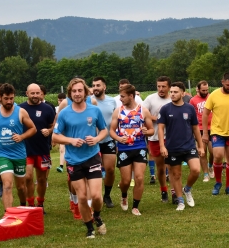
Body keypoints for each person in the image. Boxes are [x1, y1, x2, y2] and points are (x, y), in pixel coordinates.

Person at [52, 78, 108, 239]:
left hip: (92, 156)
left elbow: (104, 130)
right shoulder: (64, 113)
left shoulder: (94, 110)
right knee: (82, 197)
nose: (77, 94)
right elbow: (56, 136)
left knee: (96, 196)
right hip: (74, 160)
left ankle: (97, 215)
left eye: (80, 91)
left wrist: (97, 139)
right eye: (74, 91)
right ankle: (89, 227)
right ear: (70, 93)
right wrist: (71, 140)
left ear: (85, 92)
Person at [0, 83, 37, 210]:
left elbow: (33, 129)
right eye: (6, 98)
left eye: (11, 98)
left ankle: (23, 207)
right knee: (7, 185)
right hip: (3, 154)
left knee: (21, 187)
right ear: (0, 98)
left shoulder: (21, 112)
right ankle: (9, 214)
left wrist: (22, 137)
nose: (9, 101)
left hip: (19, 154)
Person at [109, 84, 154, 216]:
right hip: (123, 149)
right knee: (126, 181)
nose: (120, 99)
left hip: (139, 147)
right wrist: (118, 138)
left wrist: (147, 131)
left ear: (131, 96)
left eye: (123, 96)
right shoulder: (118, 111)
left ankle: (135, 206)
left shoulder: (143, 111)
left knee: (139, 178)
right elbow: (111, 131)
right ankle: (124, 195)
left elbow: (152, 130)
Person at [158, 82, 203, 211]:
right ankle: (180, 201)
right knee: (176, 175)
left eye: (175, 92)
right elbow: (161, 128)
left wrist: (200, 146)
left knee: (196, 170)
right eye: (171, 92)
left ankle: (187, 189)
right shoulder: (165, 109)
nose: (172, 94)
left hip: (189, 146)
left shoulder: (189, 108)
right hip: (172, 148)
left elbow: (195, 127)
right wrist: (162, 146)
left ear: (183, 93)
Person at [20, 84, 56, 212]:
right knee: (28, 177)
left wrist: (50, 130)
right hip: (25, 149)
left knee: (41, 179)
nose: (35, 96)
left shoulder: (48, 108)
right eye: (32, 93)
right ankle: (30, 204)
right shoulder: (20, 109)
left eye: (37, 93)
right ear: (27, 93)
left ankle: (40, 203)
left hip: (42, 149)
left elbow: (53, 126)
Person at [143, 76, 172, 202]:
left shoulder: (173, 98)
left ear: (169, 87)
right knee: (161, 168)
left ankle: (175, 192)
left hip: (172, 137)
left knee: (172, 166)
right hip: (155, 138)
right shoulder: (150, 99)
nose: (160, 89)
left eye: (163, 86)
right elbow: (143, 114)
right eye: (158, 86)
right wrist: (157, 119)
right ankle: (164, 190)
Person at [91, 76, 118, 208]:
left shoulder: (112, 101)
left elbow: (115, 120)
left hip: (108, 140)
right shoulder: (89, 101)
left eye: (98, 85)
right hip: (92, 141)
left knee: (110, 169)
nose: (95, 88)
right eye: (93, 85)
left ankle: (107, 195)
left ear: (104, 87)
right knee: (93, 170)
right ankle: (94, 196)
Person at [190, 81, 214, 182]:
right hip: (199, 128)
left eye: (207, 90)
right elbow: (192, 115)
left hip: (213, 128)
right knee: (202, 152)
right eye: (203, 90)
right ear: (198, 89)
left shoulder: (212, 97)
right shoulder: (193, 100)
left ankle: (211, 165)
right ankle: (205, 174)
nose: (205, 92)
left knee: (213, 152)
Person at [55, 92, 67, 173]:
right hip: (61, 132)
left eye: (62, 100)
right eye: (59, 100)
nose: (60, 102)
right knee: (62, 149)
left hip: (69, 132)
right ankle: (61, 165)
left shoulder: (70, 108)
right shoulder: (56, 109)